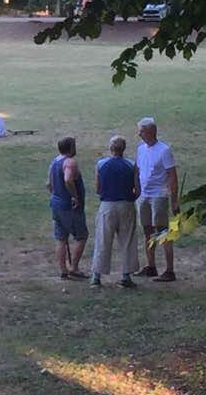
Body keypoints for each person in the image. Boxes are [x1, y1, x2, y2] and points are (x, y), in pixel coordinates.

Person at [90, 136, 139, 288]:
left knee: (102, 239)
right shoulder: (132, 164)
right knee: (128, 240)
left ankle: (96, 276)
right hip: (126, 204)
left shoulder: (101, 164)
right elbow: (137, 189)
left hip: (107, 205)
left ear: (111, 148)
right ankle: (126, 275)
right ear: (123, 149)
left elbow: (98, 189)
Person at [135, 117, 179, 282]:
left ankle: (169, 270)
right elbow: (138, 170)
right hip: (144, 196)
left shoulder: (164, 150)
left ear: (150, 132)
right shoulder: (141, 149)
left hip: (159, 196)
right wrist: (137, 191)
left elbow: (172, 176)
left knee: (162, 232)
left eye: (141, 131)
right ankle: (151, 266)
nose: (139, 134)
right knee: (147, 231)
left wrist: (174, 201)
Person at [47, 135, 88, 280]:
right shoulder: (69, 162)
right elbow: (68, 179)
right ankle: (74, 268)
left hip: (56, 204)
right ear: (70, 148)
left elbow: (49, 184)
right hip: (69, 206)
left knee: (61, 238)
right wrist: (75, 196)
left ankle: (63, 270)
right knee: (81, 236)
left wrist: (55, 195)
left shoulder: (54, 162)